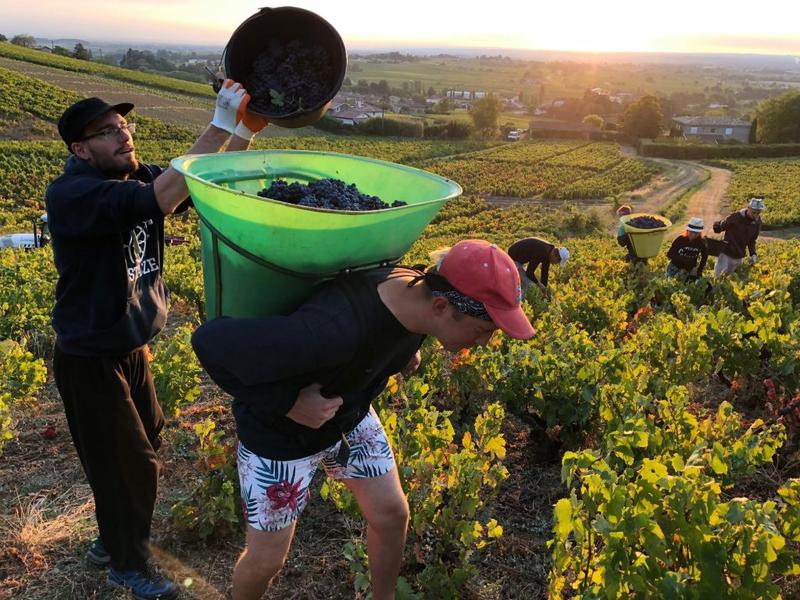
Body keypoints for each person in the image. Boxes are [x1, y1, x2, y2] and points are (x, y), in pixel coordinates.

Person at [190, 239, 535, 600]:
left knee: (391, 516)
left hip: (348, 418)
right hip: (280, 435)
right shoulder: (331, 330)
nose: (484, 343)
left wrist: (399, 354)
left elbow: (388, 333)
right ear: (441, 306)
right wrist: (288, 402)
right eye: (484, 331)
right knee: (266, 562)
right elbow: (209, 343)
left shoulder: (418, 295)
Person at [45, 80, 268, 600]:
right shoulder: (73, 193)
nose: (123, 136)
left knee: (143, 440)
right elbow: (166, 195)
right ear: (80, 149)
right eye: (107, 132)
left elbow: (203, 180)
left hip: (131, 347)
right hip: (90, 354)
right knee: (129, 461)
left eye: (125, 126)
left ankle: (110, 539)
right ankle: (128, 563)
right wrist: (217, 122)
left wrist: (244, 131)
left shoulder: (134, 176)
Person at [712, 197, 764, 277]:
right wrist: (717, 226)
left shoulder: (757, 223)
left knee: (730, 280)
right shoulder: (736, 217)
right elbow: (721, 226)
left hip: (739, 256)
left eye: (758, 213)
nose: (756, 215)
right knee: (718, 278)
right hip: (726, 253)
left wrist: (753, 254)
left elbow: (752, 241)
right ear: (748, 208)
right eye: (754, 212)